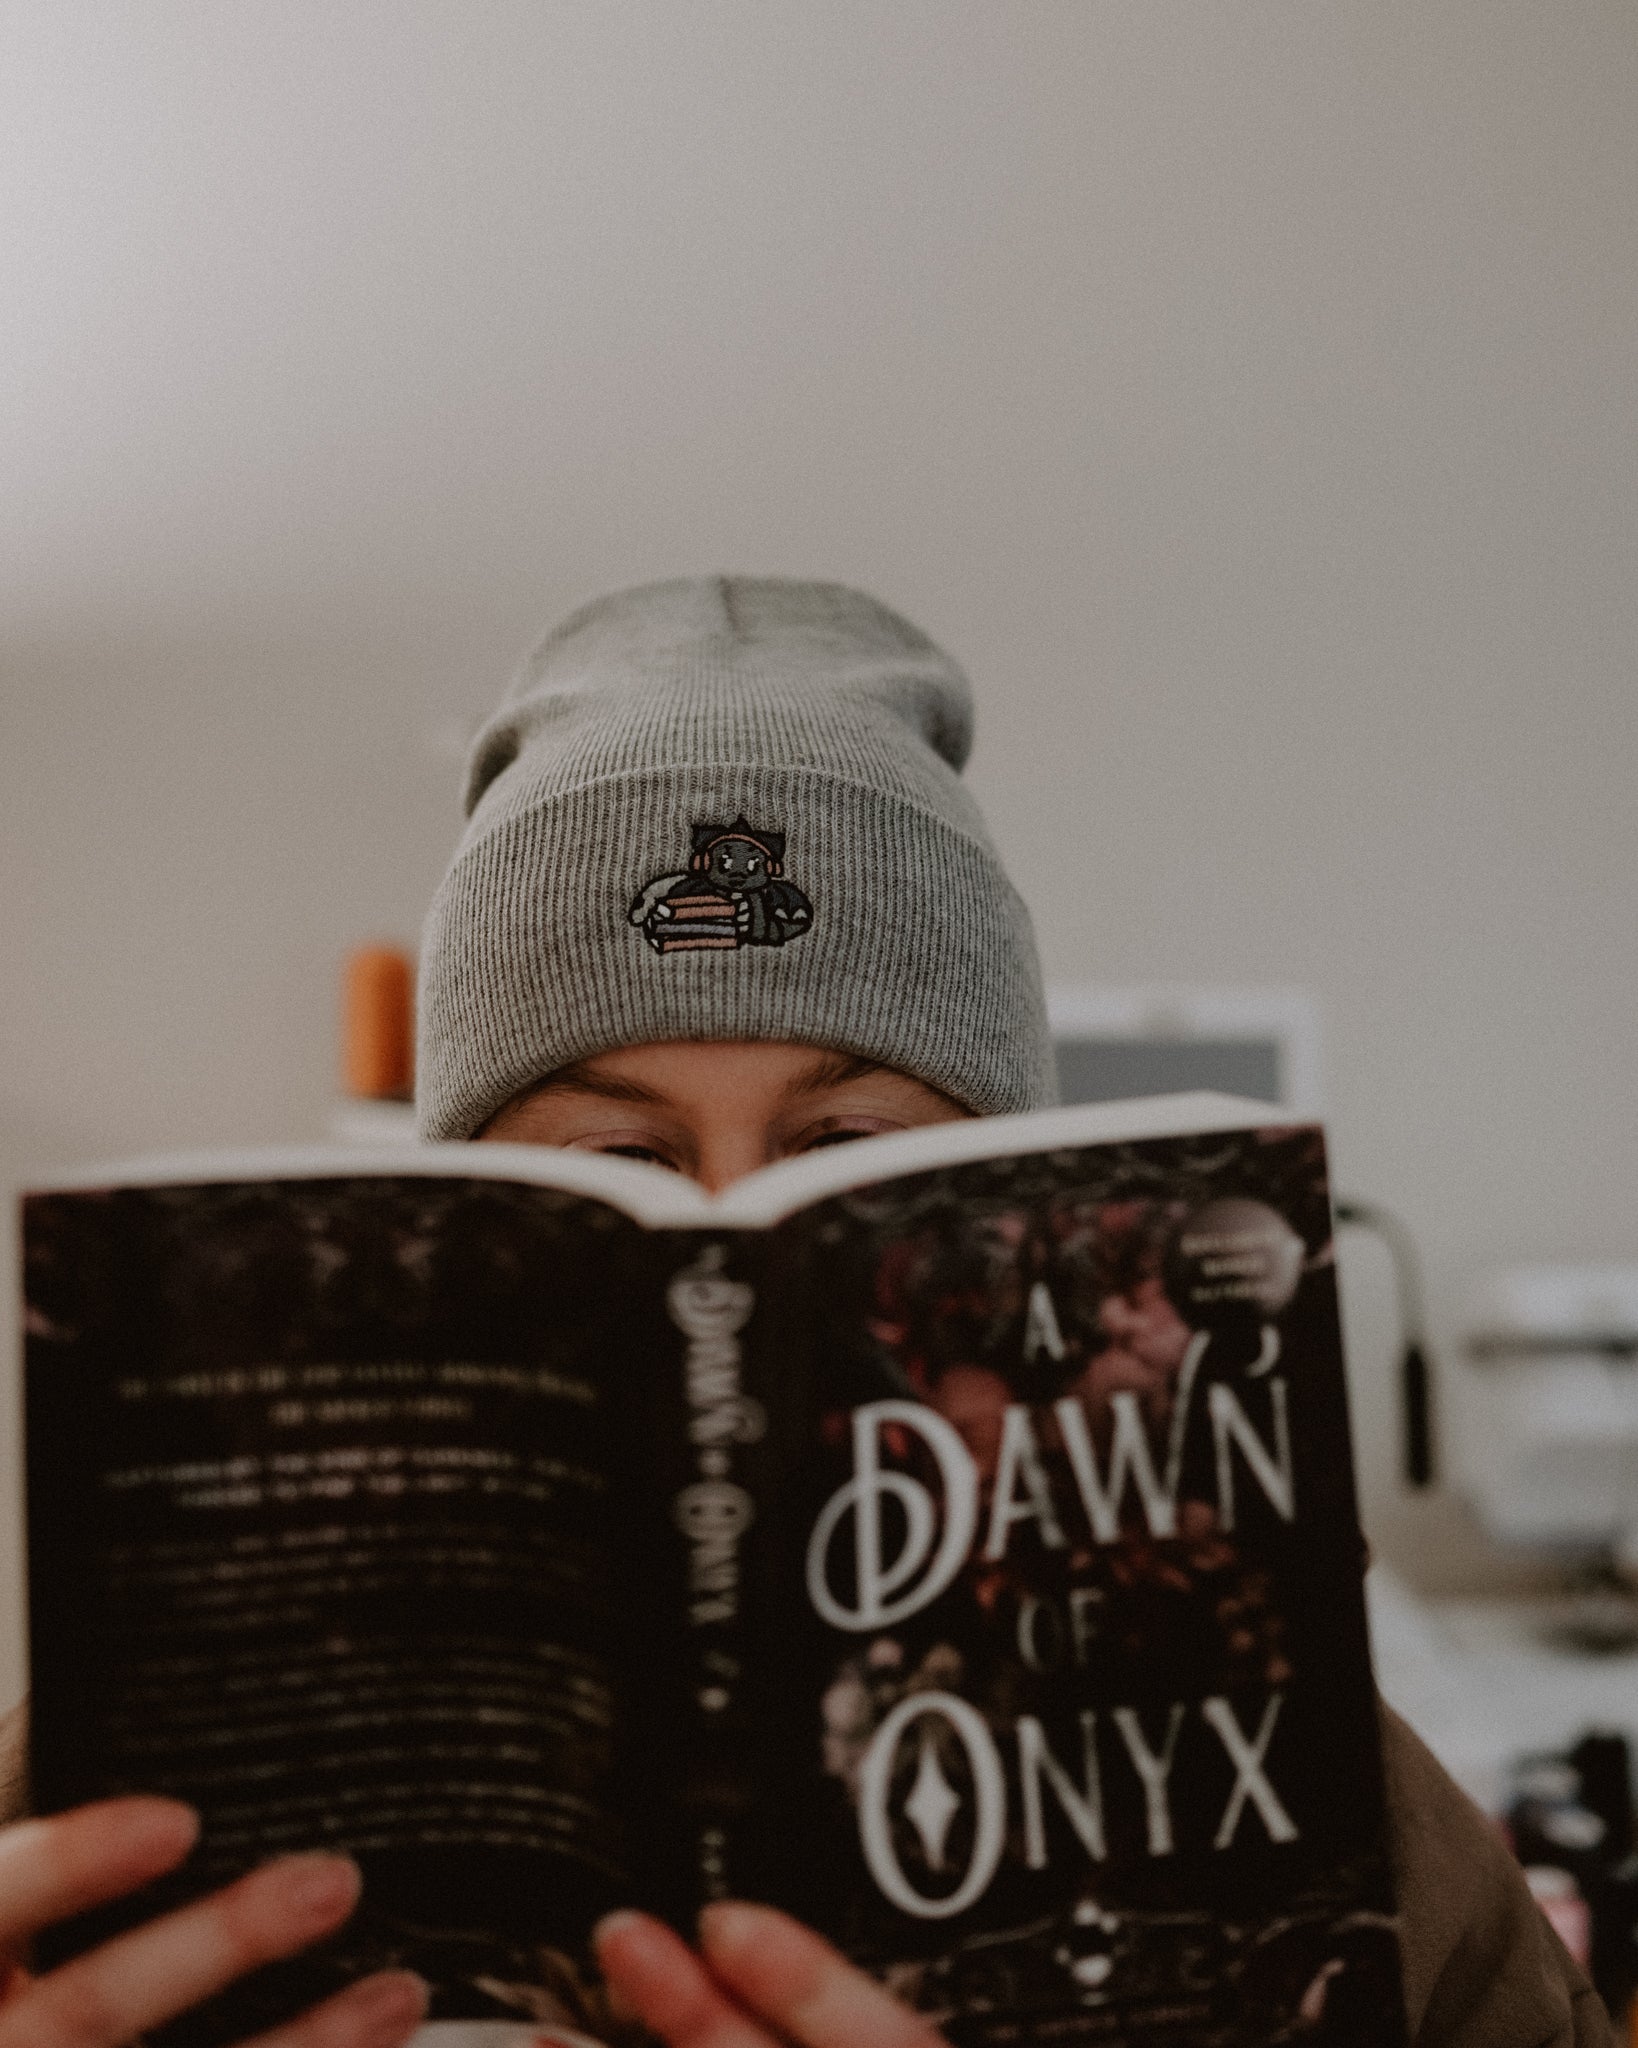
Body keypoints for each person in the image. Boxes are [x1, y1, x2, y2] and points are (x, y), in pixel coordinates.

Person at [0, 580, 1611, 2048]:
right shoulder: (112, 1807)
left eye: (842, 1152)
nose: (714, 1249)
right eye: (616, 1163)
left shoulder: (1325, 1805)